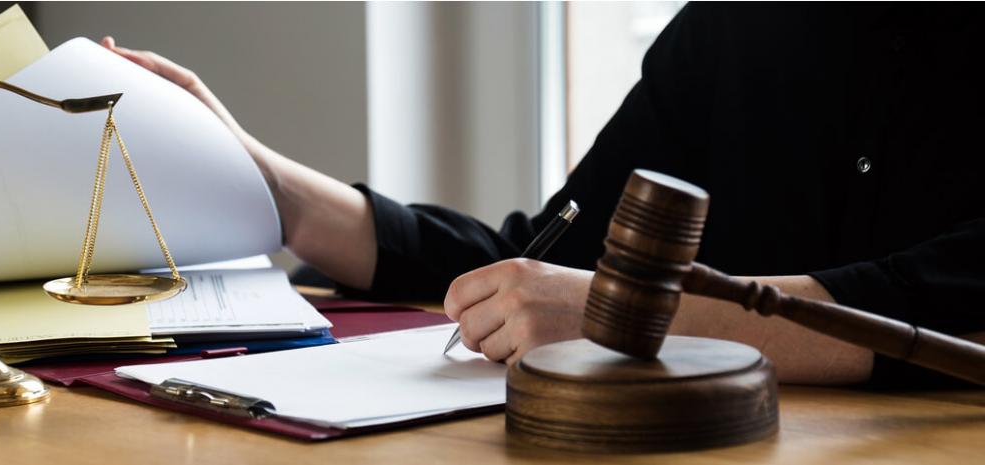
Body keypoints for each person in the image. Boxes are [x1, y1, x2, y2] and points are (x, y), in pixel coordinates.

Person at [100, 3, 985, 387]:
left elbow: (940, 310)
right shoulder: (739, 23)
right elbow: (541, 264)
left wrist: (615, 314)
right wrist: (268, 181)